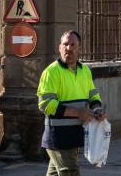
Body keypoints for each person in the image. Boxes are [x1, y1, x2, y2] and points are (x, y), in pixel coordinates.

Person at [36, 30, 106, 175]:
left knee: (56, 173)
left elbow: (93, 96)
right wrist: (78, 113)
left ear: (79, 47)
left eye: (72, 44)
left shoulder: (85, 70)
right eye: (65, 44)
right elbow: (45, 104)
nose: (69, 48)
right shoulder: (51, 72)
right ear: (59, 47)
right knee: (70, 172)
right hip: (58, 137)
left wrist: (97, 110)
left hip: (75, 135)